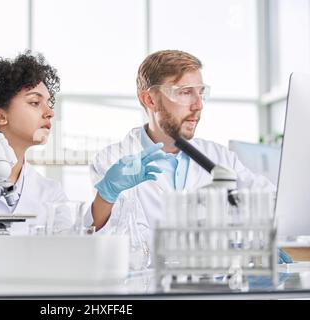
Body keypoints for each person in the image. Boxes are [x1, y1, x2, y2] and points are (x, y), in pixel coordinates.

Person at [0, 51, 164, 271]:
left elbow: (77, 245)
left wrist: (107, 193)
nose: (49, 111)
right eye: (34, 102)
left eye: (49, 103)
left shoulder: (48, 192)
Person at [86, 49, 292, 264]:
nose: (198, 105)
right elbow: (101, 239)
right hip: (145, 290)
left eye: (201, 93)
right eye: (185, 92)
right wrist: (107, 193)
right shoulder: (113, 160)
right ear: (150, 99)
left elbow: (271, 203)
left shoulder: (220, 157)